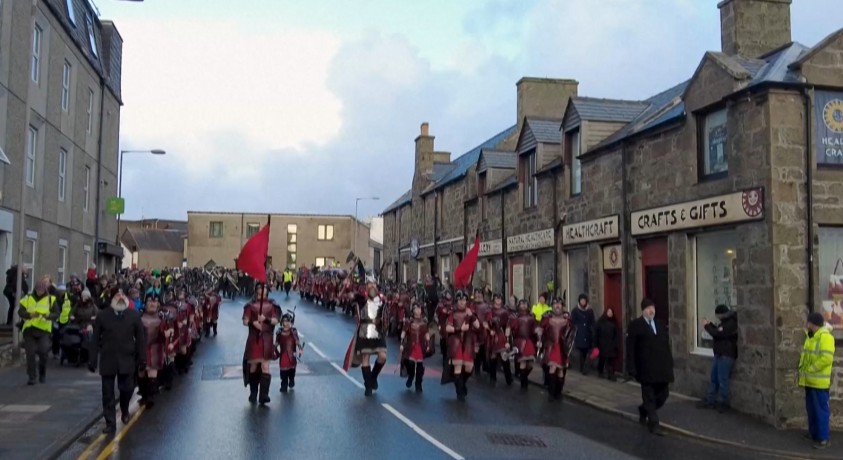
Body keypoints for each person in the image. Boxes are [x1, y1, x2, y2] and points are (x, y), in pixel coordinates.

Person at [89, 290, 146, 434]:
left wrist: (142, 359)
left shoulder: (133, 315)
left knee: (127, 388)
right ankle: (110, 423)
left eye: (123, 296)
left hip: (127, 359)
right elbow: (95, 339)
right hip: (108, 359)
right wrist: (92, 359)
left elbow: (140, 339)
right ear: (112, 299)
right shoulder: (103, 316)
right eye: (117, 296)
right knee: (107, 393)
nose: (120, 298)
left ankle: (125, 409)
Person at [626, 298, 674, 436]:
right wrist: (632, 368)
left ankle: (643, 410)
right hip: (645, 368)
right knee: (649, 397)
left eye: (653, 308)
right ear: (643, 310)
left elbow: (665, 346)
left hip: (661, 368)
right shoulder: (636, 325)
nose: (651, 310)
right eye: (648, 308)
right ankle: (654, 424)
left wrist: (669, 364)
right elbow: (631, 348)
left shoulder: (659, 324)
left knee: (664, 394)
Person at [799, 312, 835, 450]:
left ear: (813, 323)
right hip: (809, 380)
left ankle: (823, 439)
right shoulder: (811, 336)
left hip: (818, 381)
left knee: (820, 410)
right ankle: (814, 433)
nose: (806, 324)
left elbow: (826, 359)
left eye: (808, 322)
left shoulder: (825, 337)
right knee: (812, 409)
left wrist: (811, 369)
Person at [346, 281, 387, 396]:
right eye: (369, 284)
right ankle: (368, 386)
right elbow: (350, 296)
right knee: (365, 357)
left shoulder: (381, 298)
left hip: (378, 330)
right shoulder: (361, 298)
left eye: (374, 283)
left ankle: (373, 377)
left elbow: (385, 313)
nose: (372, 286)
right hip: (364, 330)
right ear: (366, 286)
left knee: (382, 356)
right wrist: (347, 286)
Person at [242, 282, 278, 405]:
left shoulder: (272, 305)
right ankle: (253, 392)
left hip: (267, 339)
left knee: (265, 366)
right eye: (258, 289)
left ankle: (264, 395)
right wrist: (253, 323)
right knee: (253, 366)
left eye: (263, 289)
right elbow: (245, 321)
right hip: (254, 338)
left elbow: (275, 320)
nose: (261, 292)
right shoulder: (250, 305)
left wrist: (265, 319)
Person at [699, 304, 738, 412]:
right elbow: (718, 331)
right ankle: (709, 400)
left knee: (722, 379)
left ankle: (724, 403)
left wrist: (707, 326)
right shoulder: (726, 322)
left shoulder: (731, 323)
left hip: (726, 355)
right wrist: (710, 324)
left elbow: (719, 334)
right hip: (720, 354)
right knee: (714, 378)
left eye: (718, 315)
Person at [19, 278, 58, 384]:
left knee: (43, 351)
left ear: (45, 289)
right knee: (30, 354)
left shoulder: (51, 299)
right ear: (35, 289)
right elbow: (20, 311)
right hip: (29, 330)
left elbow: (56, 313)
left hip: (44, 329)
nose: (40, 291)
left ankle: (42, 373)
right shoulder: (27, 298)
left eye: (42, 290)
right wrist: (29, 315)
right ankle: (32, 377)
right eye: (38, 289)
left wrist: (48, 316)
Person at [445, 290, 481, 401]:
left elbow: (478, 326)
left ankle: (462, 383)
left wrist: (472, 316)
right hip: (456, 342)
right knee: (458, 367)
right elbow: (448, 328)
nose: (462, 302)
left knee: (469, 367)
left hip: (468, 341)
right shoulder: (453, 313)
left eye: (464, 300)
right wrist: (459, 329)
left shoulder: (470, 313)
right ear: (457, 301)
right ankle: (459, 392)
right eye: (460, 300)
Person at [537, 299, 572, 402]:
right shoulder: (547, 317)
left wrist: (568, 345)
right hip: (551, 346)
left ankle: (558, 392)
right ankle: (551, 393)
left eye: (559, 304)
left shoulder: (567, 318)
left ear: (562, 306)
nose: (557, 306)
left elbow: (571, 333)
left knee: (561, 370)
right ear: (552, 306)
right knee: (552, 367)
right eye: (555, 304)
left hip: (562, 347)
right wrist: (539, 340)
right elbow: (540, 329)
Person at [138, 295, 165, 407]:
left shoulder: (162, 317)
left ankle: (150, 397)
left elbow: (166, 333)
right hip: (141, 349)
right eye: (150, 301)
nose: (152, 303)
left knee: (152, 373)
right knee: (141, 374)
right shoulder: (138, 317)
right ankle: (144, 395)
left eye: (155, 301)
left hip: (155, 348)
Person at [400, 302, 431, 392]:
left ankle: (418, 383)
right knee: (410, 363)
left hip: (420, 345)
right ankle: (410, 376)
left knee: (420, 365)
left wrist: (428, 344)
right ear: (412, 311)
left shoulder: (424, 322)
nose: (418, 310)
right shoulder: (408, 322)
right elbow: (403, 333)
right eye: (415, 309)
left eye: (419, 308)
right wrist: (401, 344)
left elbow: (427, 334)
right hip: (410, 345)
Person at [485, 294, 513, 385]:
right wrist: (489, 330)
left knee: (504, 355)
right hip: (492, 334)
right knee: (493, 355)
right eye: (496, 298)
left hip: (501, 335)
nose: (498, 300)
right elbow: (485, 323)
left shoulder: (504, 312)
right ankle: (492, 377)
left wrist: (508, 340)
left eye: (500, 298)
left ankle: (508, 378)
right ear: (493, 300)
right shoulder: (490, 310)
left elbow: (508, 326)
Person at [275, 312, 302, 393]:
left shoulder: (293, 331)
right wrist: (273, 347)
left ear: (291, 322)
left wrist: (300, 348)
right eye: (284, 321)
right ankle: (283, 385)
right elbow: (277, 342)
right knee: (283, 372)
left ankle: (291, 380)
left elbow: (297, 341)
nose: (285, 323)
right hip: (283, 355)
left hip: (292, 355)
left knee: (292, 370)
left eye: (287, 321)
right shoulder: (279, 332)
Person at [571, 294, 595, 375]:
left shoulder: (590, 310)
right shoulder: (575, 310)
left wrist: (592, 329)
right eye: (581, 300)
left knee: (586, 350)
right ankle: (582, 367)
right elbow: (572, 321)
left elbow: (592, 321)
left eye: (584, 300)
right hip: (579, 333)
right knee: (581, 351)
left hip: (587, 333)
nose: (583, 301)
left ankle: (585, 367)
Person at [595, 308, 620, 381]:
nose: (610, 313)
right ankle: (600, 371)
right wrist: (596, 344)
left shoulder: (614, 323)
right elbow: (596, 334)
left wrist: (616, 344)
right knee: (602, 359)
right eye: (608, 312)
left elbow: (616, 334)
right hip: (602, 344)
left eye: (611, 312)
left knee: (610, 361)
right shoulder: (600, 322)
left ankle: (611, 374)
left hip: (611, 344)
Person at [52, 284, 72, 360]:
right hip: (56, 321)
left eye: (63, 291)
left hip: (66, 320)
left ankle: (66, 353)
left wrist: (71, 314)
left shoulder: (69, 297)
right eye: (60, 291)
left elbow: (73, 307)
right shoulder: (54, 298)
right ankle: (56, 352)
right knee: (56, 336)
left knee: (66, 337)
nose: (62, 293)